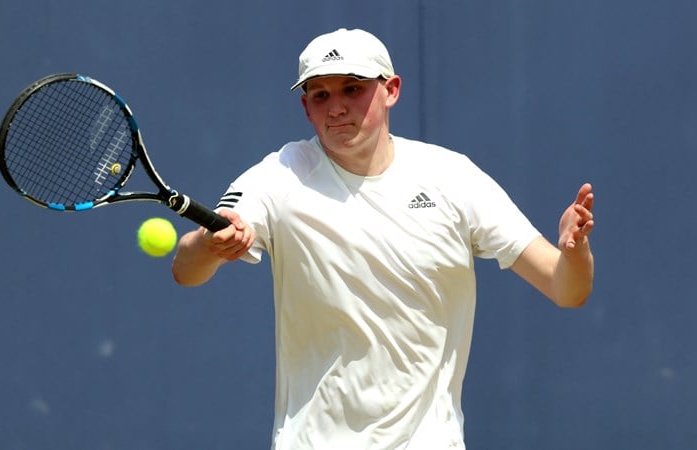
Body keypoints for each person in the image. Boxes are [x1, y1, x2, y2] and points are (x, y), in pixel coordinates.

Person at [172, 28, 595, 450]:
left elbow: (565, 289)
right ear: (306, 107)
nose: (335, 107)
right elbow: (187, 270)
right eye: (320, 95)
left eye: (351, 89)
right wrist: (208, 246)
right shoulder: (280, 174)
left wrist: (574, 254)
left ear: (391, 90)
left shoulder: (453, 177)